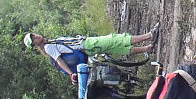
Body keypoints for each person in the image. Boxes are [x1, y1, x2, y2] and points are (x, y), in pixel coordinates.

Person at [24, 26, 158, 83]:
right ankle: (149, 35)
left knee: (117, 47)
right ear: (35, 44)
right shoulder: (48, 47)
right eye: (34, 38)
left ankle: (147, 48)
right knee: (116, 39)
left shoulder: (49, 42)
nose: (36, 36)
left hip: (87, 46)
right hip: (87, 45)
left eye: (34, 35)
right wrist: (71, 74)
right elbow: (60, 61)